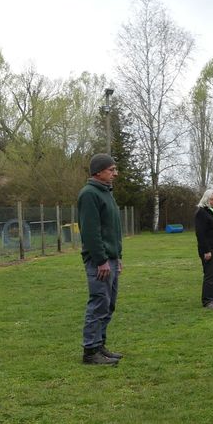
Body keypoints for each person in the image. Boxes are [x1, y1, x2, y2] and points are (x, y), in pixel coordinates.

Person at [78, 153, 124, 365]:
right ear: (98, 171)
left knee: (108, 304)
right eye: (111, 169)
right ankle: (90, 351)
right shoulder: (89, 194)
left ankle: (100, 345)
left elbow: (113, 230)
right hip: (100, 262)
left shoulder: (106, 193)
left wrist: (118, 257)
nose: (115, 173)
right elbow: (90, 232)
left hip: (111, 259)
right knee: (98, 303)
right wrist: (101, 260)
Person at [195, 189, 213, 309]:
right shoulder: (201, 213)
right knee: (210, 275)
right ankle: (207, 301)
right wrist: (206, 251)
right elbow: (200, 234)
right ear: (206, 199)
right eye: (212, 199)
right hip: (208, 249)